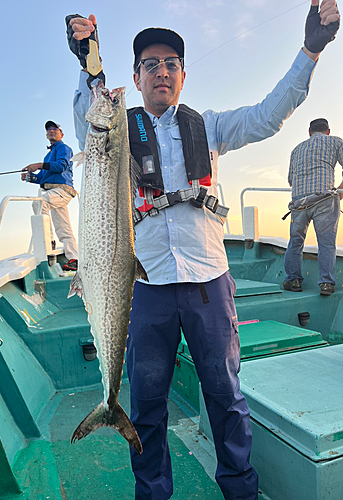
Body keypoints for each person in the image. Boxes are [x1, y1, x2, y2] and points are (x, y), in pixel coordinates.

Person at [66, 2, 340, 499]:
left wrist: (310, 51)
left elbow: (268, 115)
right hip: (144, 286)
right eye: (151, 64)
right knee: (147, 404)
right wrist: (88, 56)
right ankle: (153, 493)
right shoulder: (116, 132)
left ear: (184, 74)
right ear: (137, 75)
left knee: (226, 397)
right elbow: (89, 117)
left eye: (171, 63)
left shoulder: (209, 126)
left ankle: (240, 489)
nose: (162, 72)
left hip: (209, 281)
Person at [283, 118, 343, 296]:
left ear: (309, 133)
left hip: (299, 202)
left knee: (295, 241)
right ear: (328, 131)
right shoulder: (335, 142)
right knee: (326, 244)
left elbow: (291, 180)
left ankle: (293, 280)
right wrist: (340, 191)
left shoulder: (296, 149)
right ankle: (326, 284)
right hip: (324, 198)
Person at [21, 121, 79, 271]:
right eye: (49, 129)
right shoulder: (47, 156)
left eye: (55, 129)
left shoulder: (65, 149)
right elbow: (41, 178)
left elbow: (61, 166)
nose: (51, 131)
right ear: (46, 134)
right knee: (64, 228)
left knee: (39, 204)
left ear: (61, 134)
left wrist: (39, 165)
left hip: (62, 190)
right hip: (53, 193)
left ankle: (48, 242)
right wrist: (29, 177)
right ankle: (74, 259)